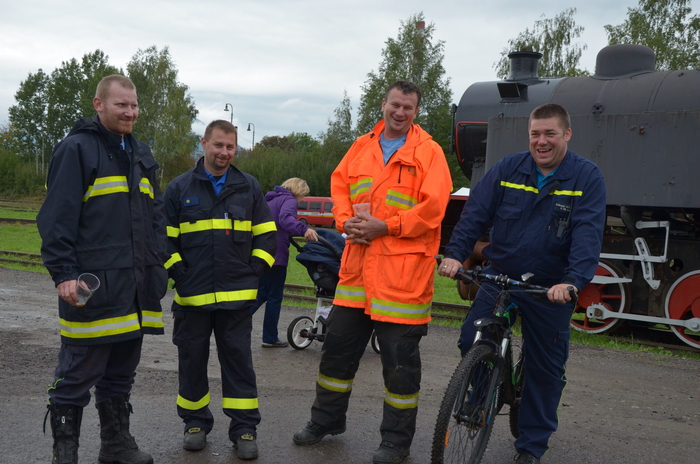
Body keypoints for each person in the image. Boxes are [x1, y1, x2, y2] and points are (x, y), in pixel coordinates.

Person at [292, 81, 452, 464]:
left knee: (400, 369)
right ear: (384, 104)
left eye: (408, 108)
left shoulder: (429, 152)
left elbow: (434, 208)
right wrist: (345, 220)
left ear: (416, 111)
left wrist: (388, 226)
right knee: (335, 354)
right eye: (395, 104)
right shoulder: (361, 147)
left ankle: (396, 442)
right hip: (357, 276)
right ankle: (326, 421)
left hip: (402, 282)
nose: (400, 112)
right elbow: (340, 187)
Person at [439, 103, 607, 464]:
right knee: (471, 339)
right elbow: (475, 214)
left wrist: (572, 282)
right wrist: (455, 255)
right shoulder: (508, 169)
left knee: (546, 370)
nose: (541, 141)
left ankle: (531, 446)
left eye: (550, 134)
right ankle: (480, 398)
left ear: (567, 134)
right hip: (502, 276)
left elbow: (587, 236)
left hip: (549, 288)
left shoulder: (586, 177)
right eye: (535, 134)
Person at [37, 74, 168, 464]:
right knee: (77, 374)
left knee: (121, 374)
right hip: (92, 287)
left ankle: (115, 445)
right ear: (99, 105)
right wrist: (63, 273)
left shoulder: (141, 153)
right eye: (121, 105)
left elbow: (155, 216)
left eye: (134, 105)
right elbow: (57, 217)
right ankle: (65, 454)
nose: (130, 112)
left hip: (135, 288)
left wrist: (157, 263)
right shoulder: (76, 149)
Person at [163, 119, 277, 460]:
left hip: (237, 301)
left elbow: (267, 236)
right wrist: (179, 274)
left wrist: (253, 272)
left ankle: (244, 429)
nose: (224, 152)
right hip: (192, 300)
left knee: (239, 364)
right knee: (191, 363)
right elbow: (163, 240)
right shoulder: (179, 188)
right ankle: (195, 423)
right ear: (203, 143)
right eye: (218, 145)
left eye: (230, 147)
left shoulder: (249, 186)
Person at [252, 177, 319, 348]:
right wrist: (305, 229)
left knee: (262, 293)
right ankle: (269, 338)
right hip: (276, 255)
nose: (303, 200)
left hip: (261, 251)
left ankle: (233, 324)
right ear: (298, 191)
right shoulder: (290, 200)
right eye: (303, 195)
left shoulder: (271, 200)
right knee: (274, 297)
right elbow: (285, 219)